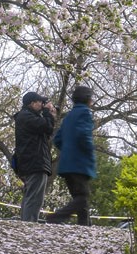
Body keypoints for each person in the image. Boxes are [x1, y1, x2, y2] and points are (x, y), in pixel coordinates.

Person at [47, 86, 96, 226]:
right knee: (82, 197)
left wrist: (67, 150)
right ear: (87, 99)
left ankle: (85, 227)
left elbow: (57, 139)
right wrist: (88, 152)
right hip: (79, 163)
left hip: (66, 164)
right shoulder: (85, 113)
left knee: (80, 198)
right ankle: (56, 217)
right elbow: (84, 135)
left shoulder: (68, 116)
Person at [14, 91, 56, 222]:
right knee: (34, 197)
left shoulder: (28, 117)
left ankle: (27, 224)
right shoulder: (26, 116)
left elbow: (45, 132)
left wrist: (48, 115)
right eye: (40, 102)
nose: (43, 105)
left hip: (32, 162)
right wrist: (48, 114)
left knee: (31, 195)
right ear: (32, 103)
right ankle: (29, 225)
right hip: (34, 162)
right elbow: (47, 127)